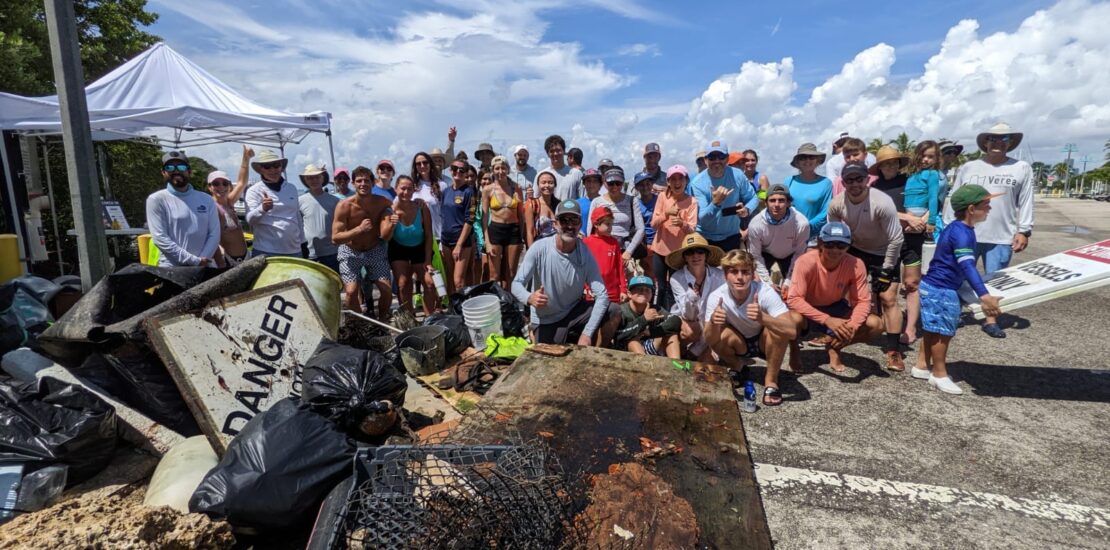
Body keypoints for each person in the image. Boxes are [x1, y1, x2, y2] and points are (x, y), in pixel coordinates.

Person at [943, 122, 1034, 338]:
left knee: (995, 279)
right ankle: (955, 314)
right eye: (992, 139)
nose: (997, 143)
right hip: (967, 232)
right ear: (985, 142)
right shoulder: (969, 167)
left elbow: (1027, 200)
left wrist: (1024, 230)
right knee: (959, 275)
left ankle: (990, 319)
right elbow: (954, 198)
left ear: (1010, 143)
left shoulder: (1021, 168)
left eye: (1003, 139)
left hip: (1002, 234)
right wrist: (948, 227)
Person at [915, 185, 1004, 394]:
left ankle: (921, 365)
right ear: (971, 209)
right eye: (986, 205)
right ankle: (939, 374)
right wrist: (984, 295)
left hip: (933, 285)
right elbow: (967, 266)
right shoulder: (962, 234)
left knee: (932, 328)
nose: (989, 209)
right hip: (942, 289)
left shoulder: (957, 228)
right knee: (943, 333)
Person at [827, 160, 906, 371]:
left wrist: (888, 269)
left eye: (859, 179)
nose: (855, 184)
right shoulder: (836, 203)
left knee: (888, 298)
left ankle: (893, 350)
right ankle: (835, 335)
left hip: (884, 251)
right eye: (849, 180)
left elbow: (896, 239)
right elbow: (833, 233)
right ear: (843, 182)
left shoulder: (882, 202)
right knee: (840, 292)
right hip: (857, 248)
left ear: (867, 179)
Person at [787, 222, 884, 373]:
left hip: (836, 306)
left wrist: (852, 326)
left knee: (876, 324)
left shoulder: (856, 264)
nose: (835, 250)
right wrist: (827, 320)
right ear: (820, 243)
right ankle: (794, 348)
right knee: (792, 319)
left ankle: (835, 346)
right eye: (830, 244)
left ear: (848, 246)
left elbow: (862, 300)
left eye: (841, 245)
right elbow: (794, 299)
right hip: (807, 308)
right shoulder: (805, 261)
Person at [704, 250, 799, 406]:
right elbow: (709, 339)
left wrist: (763, 318)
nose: (740, 277)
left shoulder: (765, 292)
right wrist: (714, 322)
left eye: (745, 272)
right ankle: (738, 367)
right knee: (720, 333)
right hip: (739, 342)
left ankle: (771, 381)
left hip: (763, 341)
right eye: (734, 271)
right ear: (725, 275)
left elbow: (791, 331)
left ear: (753, 274)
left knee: (778, 330)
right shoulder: (717, 296)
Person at [511, 200, 612, 346]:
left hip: (574, 311)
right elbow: (516, 284)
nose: (569, 226)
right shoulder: (539, 248)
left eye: (574, 220)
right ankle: (537, 332)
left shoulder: (585, 253)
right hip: (547, 318)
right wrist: (529, 297)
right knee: (547, 360)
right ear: (555, 223)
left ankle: (597, 355)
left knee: (614, 311)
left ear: (580, 224)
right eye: (564, 220)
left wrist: (587, 334)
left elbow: (602, 295)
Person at [332, 166, 394, 318]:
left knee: (386, 290)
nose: (363, 184)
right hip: (350, 250)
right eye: (359, 181)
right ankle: (362, 324)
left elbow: (400, 205)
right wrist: (359, 229)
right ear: (353, 183)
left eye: (367, 180)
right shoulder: (344, 206)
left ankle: (383, 321)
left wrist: (418, 202)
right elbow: (335, 238)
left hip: (374, 249)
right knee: (351, 292)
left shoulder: (382, 202)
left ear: (373, 183)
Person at [146, 150, 220, 267]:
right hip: (172, 268)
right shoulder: (156, 199)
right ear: (163, 172)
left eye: (181, 167)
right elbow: (160, 238)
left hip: (205, 265)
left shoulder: (206, 199)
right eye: (170, 167)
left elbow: (214, 234)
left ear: (189, 171)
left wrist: (202, 260)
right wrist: (194, 261)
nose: (176, 171)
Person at [901, 141, 942, 344]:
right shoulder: (911, 176)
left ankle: (913, 326)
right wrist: (909, 220)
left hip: (921, 222)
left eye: (931, 156)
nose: (926, 159)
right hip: (908, 220)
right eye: (924, 155)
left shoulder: (933, 175)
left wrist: (930, 221)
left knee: (915, 279)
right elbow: (907, 199)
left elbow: (934, 199)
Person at [689, 140, 759, 252]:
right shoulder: (697, 183)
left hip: (732, 236)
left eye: (721, 156)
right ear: (706, 160)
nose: (717, 161)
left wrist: (747, 209)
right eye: (712, 157)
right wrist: (716, 203)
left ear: (727, 159)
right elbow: (702, 219)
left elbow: (753, 198)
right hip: (705, 238)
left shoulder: (738, 175)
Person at [385, 175, 439, 316]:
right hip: (398, 249)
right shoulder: (389, 210)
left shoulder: (422, 208)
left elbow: (428, 235)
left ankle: (430, 318)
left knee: (429, 283)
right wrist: (391, 224)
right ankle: (410, 318)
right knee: (403, 284)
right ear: (396, 189)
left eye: (410, 189)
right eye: (403, 188)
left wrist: (428, 260)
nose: (406, 192)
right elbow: (385, 237)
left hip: (420, 249)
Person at [667, 233, 727, 360]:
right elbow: (688, 315)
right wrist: (692, 295)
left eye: (700, 251)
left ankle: (694, 354)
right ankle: (682, 349)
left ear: (706, 255)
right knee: (691, 330)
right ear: (685, 257)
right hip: (688, 319)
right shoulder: (676, 278)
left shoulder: (720, 276)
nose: (695, 256)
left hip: (712, 322)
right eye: (690, 252)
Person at [746, 184, 810, 298]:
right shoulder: (755, 224)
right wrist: (768, 283)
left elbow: (799, 255)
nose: (776, 204)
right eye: (772, 200)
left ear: (788, 203)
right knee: (760, 287)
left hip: (790, 254)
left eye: (781, 200)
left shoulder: (801, 223)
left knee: (794, 289)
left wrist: (788, 281)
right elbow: (756, 256)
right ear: (766, 203)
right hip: (766, 253)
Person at [650, 165, 697, 311]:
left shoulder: (692, 202)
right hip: (660, 250)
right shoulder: (662, 197)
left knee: (674, 286)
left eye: (680, 178)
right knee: (660, 286)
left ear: (686, 180)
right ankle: (656, 315)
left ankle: (673, 316)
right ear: (668, 182)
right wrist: (666, 214)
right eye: (673, 179)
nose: (677, 182)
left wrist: (682, 224)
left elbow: (692, 230)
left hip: (678, 254)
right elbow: (653, 225)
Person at [245, 149, 305, 258]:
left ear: (281, 167)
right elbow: (250, 220)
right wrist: (262, 208)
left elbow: (297, 216)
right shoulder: (254, 190)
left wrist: (303, 242)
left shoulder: (291, 188)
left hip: (295, 250)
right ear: (260, 169)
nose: (273, 169)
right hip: (266, 251)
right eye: (267, 166)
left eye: (276, 165)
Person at [613, 276, 682, 358]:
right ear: (629, 294)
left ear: (651, 295)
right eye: (639, 289)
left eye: (647, 290)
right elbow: (619, 335)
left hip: (648, 346)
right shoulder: (621, 310)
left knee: (672, 335)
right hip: (624, 352)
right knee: (633, 342)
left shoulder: (655, 308)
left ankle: (676, 367)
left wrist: (650, 332)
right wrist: (644, 319)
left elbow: (675, 320)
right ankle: (645, 367)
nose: (643, 292)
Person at [483, 156, 525, 289]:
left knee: (511, 273)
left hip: (513, 231)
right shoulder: (488, 190)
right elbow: (484, 217)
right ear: (492, 170)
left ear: (507, 170)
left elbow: (521, 215)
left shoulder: (516, 188)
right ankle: (495, 303)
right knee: (494, 275)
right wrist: (487, 242)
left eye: (503, 168)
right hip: (495, 230)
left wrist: (521, 236)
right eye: (497, 168)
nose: (500, 171)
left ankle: (509, 302)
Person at [206, 145, 252, 266]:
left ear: (229, 186)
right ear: (209, 187)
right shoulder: (211, 207)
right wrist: (221, 264)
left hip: (245, 257)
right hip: (227, 261)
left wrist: (246, 158)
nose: (221, 187)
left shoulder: (229, 202)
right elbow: (211, 238)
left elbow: (242, 182)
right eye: (216, 184)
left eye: (225, 183)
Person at [587, 167, 645, 261]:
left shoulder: (632, 200)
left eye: (618, 183)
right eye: (610, 183)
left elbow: (641, 229)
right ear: (605, 183)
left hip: (625, 250)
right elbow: (590, 229)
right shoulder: (596, 202)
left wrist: (629, 252)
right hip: (602, 249)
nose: (615, 187)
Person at [440, 158, 476, 295]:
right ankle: (453, 309)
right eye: (455, 168)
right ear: (450, 170)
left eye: (462, 170)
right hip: (446, 240)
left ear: (466, 173)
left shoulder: (469, 192)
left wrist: (459, 245)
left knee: (458, 280)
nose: (458, 172)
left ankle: (463, 311)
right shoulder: (446, 191)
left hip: (461, 241)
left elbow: (470, 219)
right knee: (449, 278)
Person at [785, 143, 833, 241]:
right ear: (797, 162)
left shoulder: (826, 183)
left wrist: (805, 227)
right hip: (789, 235)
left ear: (817, 161)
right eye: (803, 157)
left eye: (811, 157)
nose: (807, 160)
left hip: (814, 237)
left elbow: (825, 212)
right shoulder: (788, 181)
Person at [298, 164, 341, 272]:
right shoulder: (299, 201)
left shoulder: (335, 201)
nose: (314, 180)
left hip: (333, 252)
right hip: (310, 254)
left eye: (317, 177)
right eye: (310, 178)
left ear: (322, 178)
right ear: (305, 180)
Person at [583, 206, 627, 304]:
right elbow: (582, 268)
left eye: (611, 224)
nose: (610, 228)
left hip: (613, 293)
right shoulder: (586, 242)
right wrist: (586, 287)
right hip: (593, 292)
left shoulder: (614, 242)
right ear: (595, 224)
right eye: (607, 224)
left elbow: (620, 267)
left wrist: (623, 289)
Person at [411, 151, 448, 240]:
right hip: (417, 237)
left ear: (430, 164)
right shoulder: (411, 186)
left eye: (425, 162)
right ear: (415, 167)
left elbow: (447, 213)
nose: (422, 166)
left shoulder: (442, 185)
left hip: (438, 236)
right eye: (418, 164)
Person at [634, 172, 660, 277]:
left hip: (661, 242)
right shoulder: (635, 204)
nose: (645, 187)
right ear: (637, 187)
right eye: (642, 185)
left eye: (648, 183)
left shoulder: (659, 199)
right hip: (645, 244)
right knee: (649, 271)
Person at [525, 170, 559, 246]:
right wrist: (531, 252)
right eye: (543, 182)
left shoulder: (559, 205)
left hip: (557, 248)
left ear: (555, 185)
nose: (547, 185)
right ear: (538, 185)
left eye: (550, 183)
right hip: (539, 248)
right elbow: (529, 232)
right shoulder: (533, 204)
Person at [544, 135, 583, 201]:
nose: (555, 153)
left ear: (564, 151)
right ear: (547, 154)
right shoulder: (542, 175)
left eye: (558, 150)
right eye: (552, 151)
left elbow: (582, 200)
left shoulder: (577, 174)